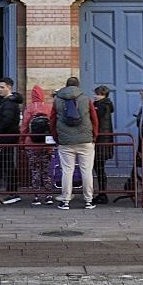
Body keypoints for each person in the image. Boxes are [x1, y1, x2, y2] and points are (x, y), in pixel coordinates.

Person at [53, 75, 98, 209]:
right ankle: (88, 200)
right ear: (78, 86)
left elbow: (52, 120)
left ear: (66, 86)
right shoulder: (86, 98)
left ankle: (65, 200)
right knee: (86, 171)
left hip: (65, 141)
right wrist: (94, 136)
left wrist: (57, 138)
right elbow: (94, 119)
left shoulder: (57, 100)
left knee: (67, 170)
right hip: (85, 140)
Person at [20, 83, 54, 204]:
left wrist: (22, 142)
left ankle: (36, 196)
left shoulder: (29, 108)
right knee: (46, 170)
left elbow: (24, 126)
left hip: (31, 143)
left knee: (35, 170)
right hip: (47, 144)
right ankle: (49, 195)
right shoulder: (49, 107)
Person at [90, 84, 116, 204]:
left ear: (103, 95)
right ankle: (101, 193)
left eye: (97, 94)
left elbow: (95, 121)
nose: (95, 96)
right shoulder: (105, 105)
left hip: (101, 141)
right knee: (99, 169)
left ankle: (102, 194)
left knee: (99, 168)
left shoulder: (101, 106)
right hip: (104, 141)